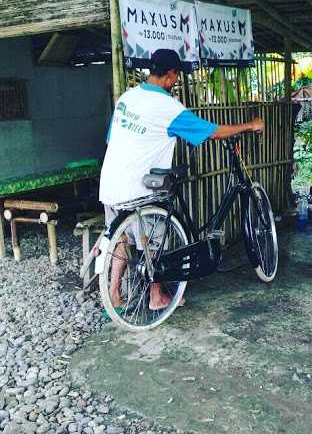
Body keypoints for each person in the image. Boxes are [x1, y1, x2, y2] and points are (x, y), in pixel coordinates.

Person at [99, 49, 264, 310]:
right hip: (139, 189)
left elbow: (110, 139)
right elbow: (212, 132)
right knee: (153, 241)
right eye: (176, 76)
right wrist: (248, 126)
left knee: (122, 239)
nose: (175, 81)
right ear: (170, 75)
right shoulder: (167, 107)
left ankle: (113, 293)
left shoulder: (127, 97)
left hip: (109, 185)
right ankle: (156, 296)